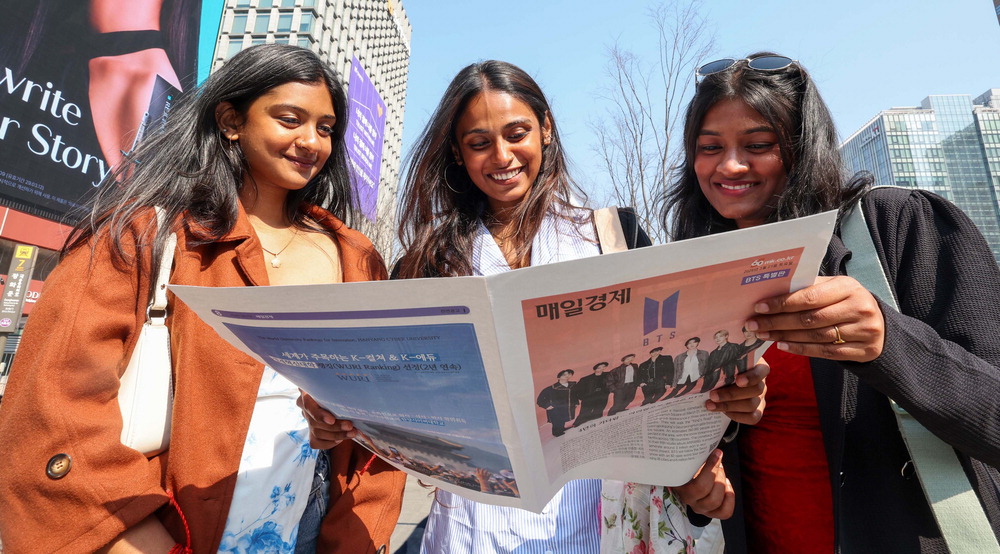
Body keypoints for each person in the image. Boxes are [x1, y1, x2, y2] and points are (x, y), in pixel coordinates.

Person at [306, 60, 768, 553]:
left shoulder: (613, 239)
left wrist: (726, 407)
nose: (502, 156)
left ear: (545, 128)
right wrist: (336, 409)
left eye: (517, 134)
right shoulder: (426, 264)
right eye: (479, 143)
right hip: (469, 529)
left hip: (596, 525)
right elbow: (392, 397)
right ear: (458, 153)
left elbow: (671, 376)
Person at [0, 44, 405, 553]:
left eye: (325, 128)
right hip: (164, 529)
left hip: (305, 528)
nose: (311, 142)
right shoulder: (145, 236)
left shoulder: (357, 259)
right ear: (231, 121)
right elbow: (54, 407)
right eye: (290, 119)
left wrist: (338, 427)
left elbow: (382, 435)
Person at [656, 52, 1000, 552]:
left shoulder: (900, 225)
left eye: (758, 144)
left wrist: (888, 342)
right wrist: (696, 482)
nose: (729, 165)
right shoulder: (692, 278)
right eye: (710, 147)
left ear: (802, 147)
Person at [536, 369, 580, 437]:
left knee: (564, 418)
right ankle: (556, 433)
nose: (567, 376)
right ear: (559, 377)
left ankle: (562, 428)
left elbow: (574, 395)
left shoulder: (572, 385)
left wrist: (576, 402)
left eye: (568, 374)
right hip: (556, 409)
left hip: (567, 406)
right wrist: (547, 406)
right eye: (564, 375)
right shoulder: (551, 388)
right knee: (557, 421)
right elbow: (540, 399)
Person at [573, 361, 613, 425]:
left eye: (603, 367)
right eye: (599, 367)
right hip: (589, 397)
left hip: (602, 396)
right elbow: (576, 389)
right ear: (595, 369)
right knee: (585, 412)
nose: (602, 369)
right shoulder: (586, 379)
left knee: (599, 411)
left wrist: (608, 391)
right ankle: (577, 425)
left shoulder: (608, 375)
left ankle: (595, 424)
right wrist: (583, 397)